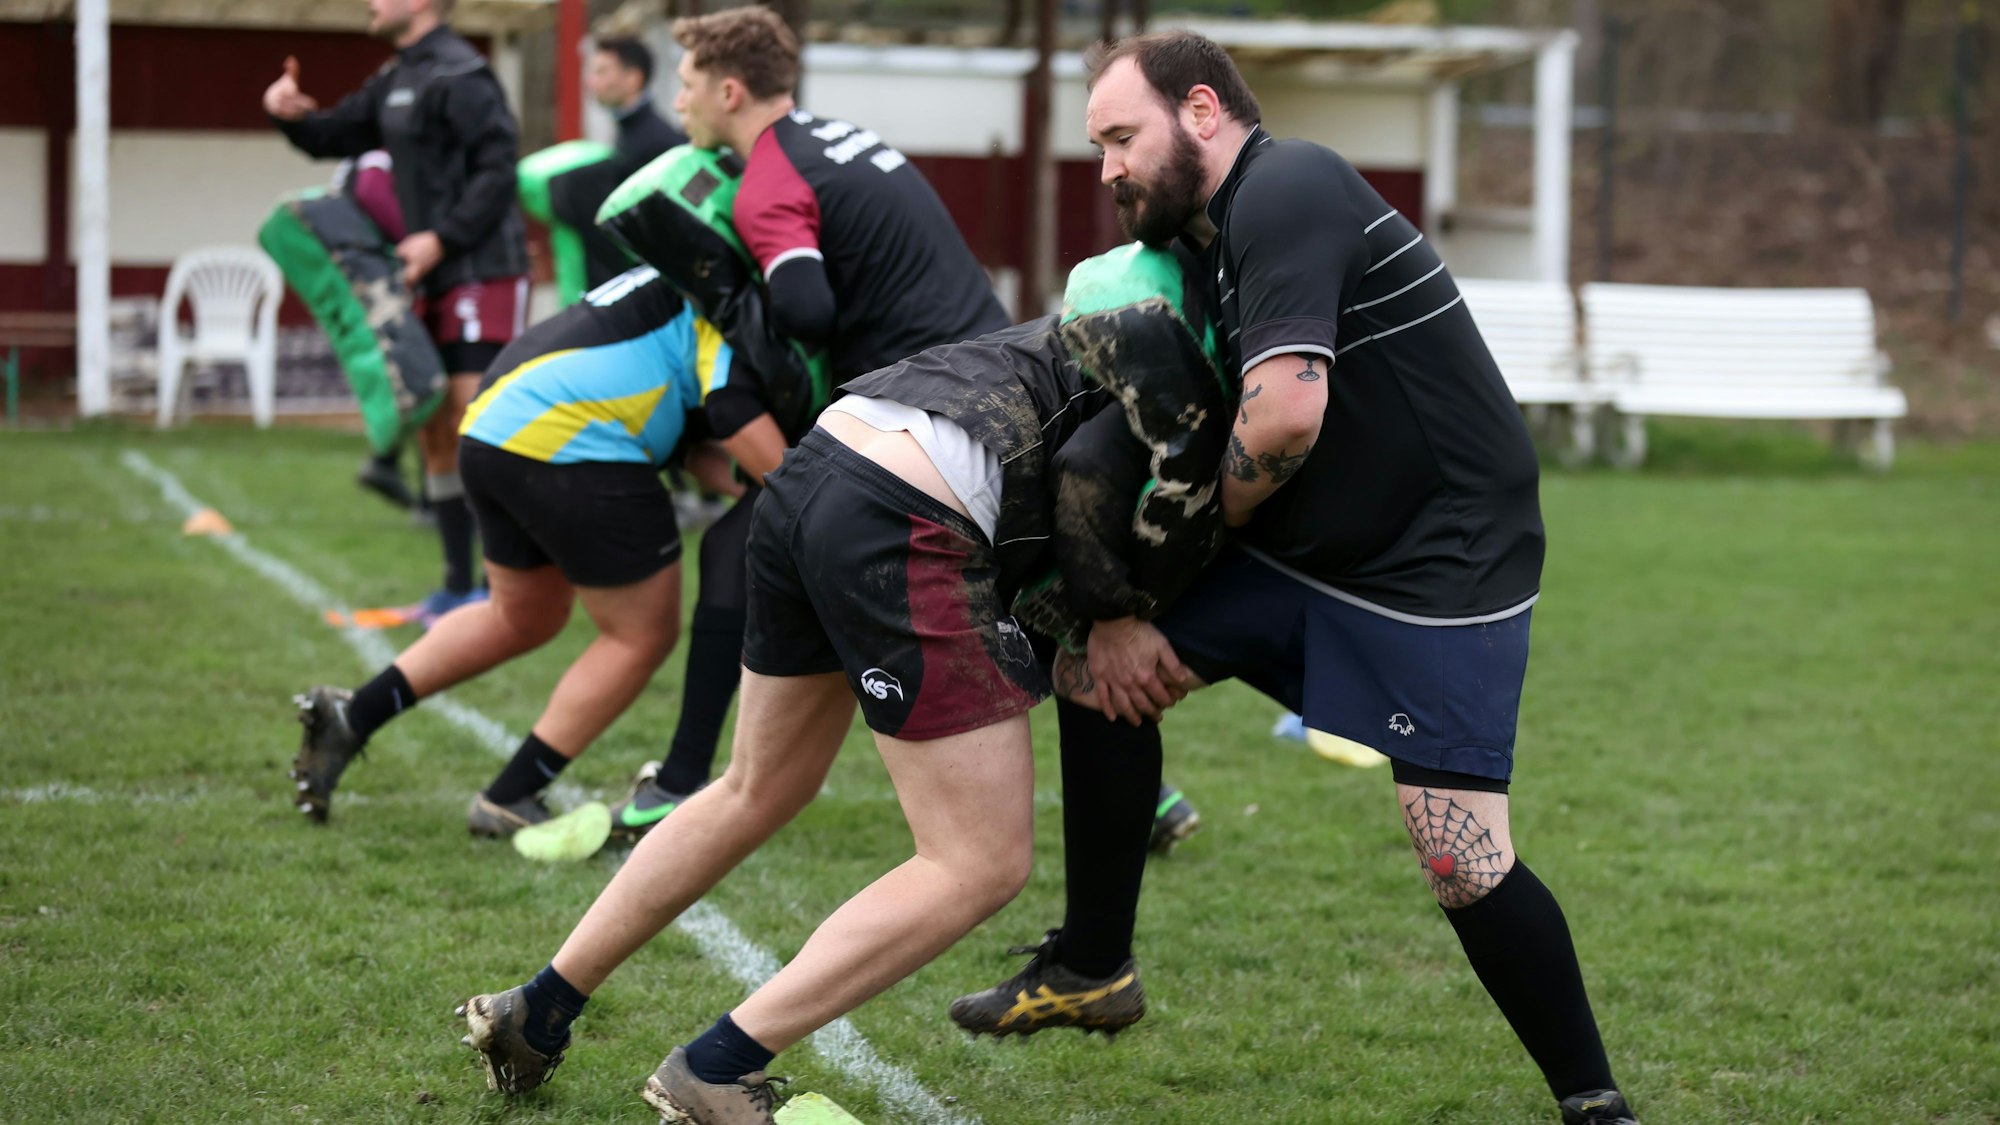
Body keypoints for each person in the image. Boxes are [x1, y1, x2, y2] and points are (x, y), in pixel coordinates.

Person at [945, 31, 1638, 1125]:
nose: (1109, 167)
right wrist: (1125, 600)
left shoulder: (1288, 186)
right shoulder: (1201, 239)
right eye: (1098, 147)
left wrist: (1179, 540)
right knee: (1095, 665)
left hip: (1437, 562)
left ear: (1204, 111)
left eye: (1122, 137)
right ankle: (1092, 971)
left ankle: (1592, 1103)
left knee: (1457, 855)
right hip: (1309, 544)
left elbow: (1284, 413)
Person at [454, 245, 1216, 1122]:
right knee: (979, 859)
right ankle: (716, 1067)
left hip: (829, 453)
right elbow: (1091, 471)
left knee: (756, 785)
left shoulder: (1164, 283)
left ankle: (537, 1006)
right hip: (911, 500)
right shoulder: (1223, 338)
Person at [602, 4, 1018, 839]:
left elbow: (804, 307)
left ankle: (684, 781)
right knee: (1025, 589)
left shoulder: (767, 179)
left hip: (928, 410)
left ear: (728, 89)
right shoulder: (840, 136)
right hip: (991, 379)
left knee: (739, 544)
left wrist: (731, 298)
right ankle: (694, 776)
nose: (678, 105)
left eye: (685, 87)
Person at [287, 266, 776, 834]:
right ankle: (511, 794)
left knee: (522, 614)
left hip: (496, 425)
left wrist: (764, 478)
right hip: (572, 438)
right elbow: (743, 429)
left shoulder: (675, 270)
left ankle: (355, 714)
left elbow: (699, 448)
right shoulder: (726, 298)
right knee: (641, 633)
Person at [264, 0, 531, 627]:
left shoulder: (464, 76)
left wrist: (441, 237)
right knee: (437, 426)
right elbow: (333, 133)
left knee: (474, 426)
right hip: (431, 270)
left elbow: (498, 175)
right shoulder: (400, 76)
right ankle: (456, 590)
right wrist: (288, 116)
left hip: (482, 269)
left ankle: (510, 587)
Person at [558, 36, 691, 291]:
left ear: (633, 78)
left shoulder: (655, 143)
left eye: (602, 71)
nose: (590, 81)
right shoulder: (630, 136)